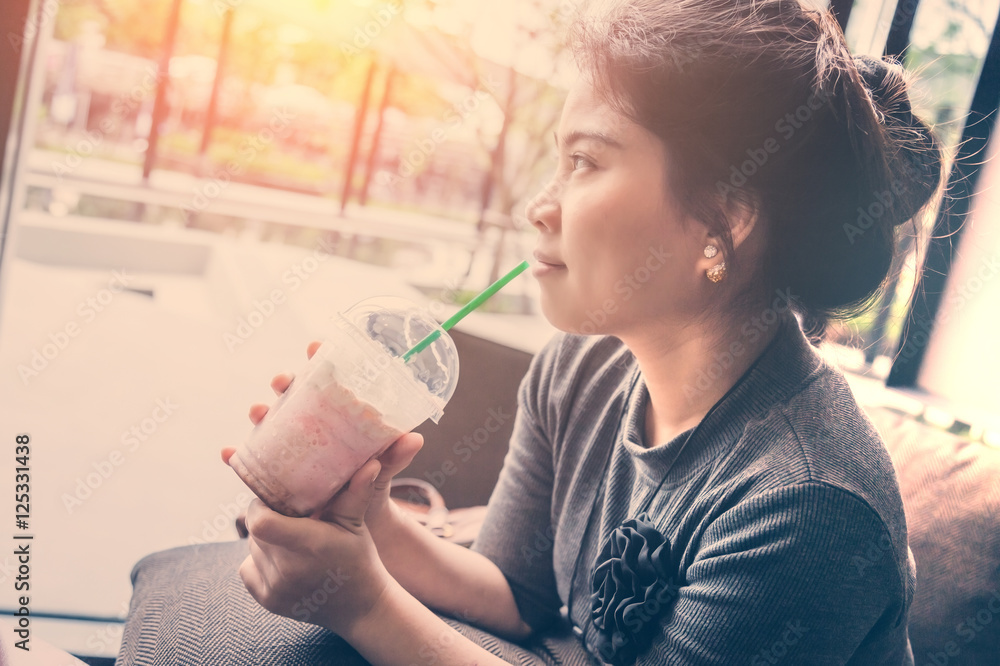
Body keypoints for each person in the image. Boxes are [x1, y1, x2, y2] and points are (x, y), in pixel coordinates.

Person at [117, 0, 944, 664]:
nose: (535, 207)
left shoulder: (806, 505)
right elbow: (517, 593)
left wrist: (363, 605)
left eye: (583, 162)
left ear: (721, 222)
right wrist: (368, 518)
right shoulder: (582, 368)